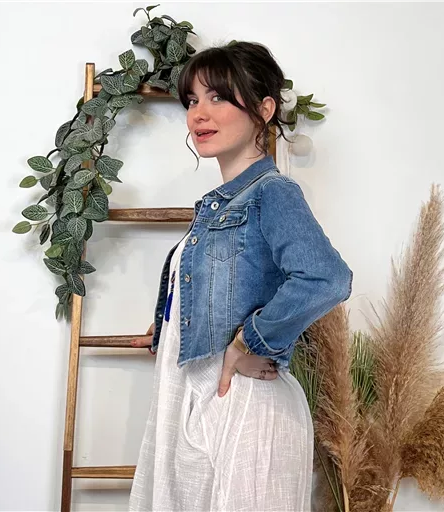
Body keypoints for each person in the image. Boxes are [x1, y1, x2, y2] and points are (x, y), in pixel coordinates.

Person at [128, 41, 353, 511]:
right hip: (203, 401)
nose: (198, 114)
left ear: (264, 110)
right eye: (192, 100)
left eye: (218, 97)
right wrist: (176, 323)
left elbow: (326, 277)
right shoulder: (221, 204)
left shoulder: (272, 192)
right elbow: (227, 284)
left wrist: (249, 342)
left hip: (245, 406)